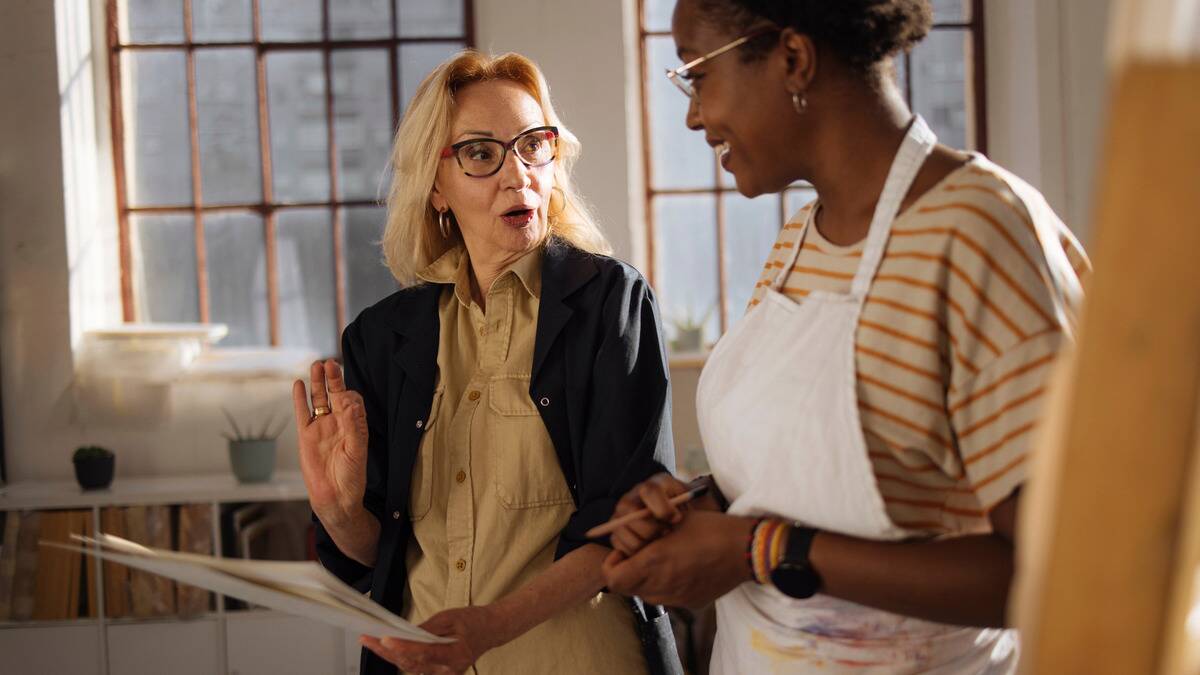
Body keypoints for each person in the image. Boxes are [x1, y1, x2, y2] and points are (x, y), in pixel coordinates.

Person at [600, 1, 1090, 672]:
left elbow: (1063, 570)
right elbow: (805, 474)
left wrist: (758, 550)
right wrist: (695, 507)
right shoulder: (799, 241)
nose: (692, 113)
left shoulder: (980, 233)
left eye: (697, 73)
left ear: (792, 58)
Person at [292, 51, 680, 675]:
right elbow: (374, 560)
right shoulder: (380, 339)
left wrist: (490, 628)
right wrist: (339, 512)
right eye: (480, 153)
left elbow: (628, 525)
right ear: (436, 185)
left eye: (533, 145)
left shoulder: (612, 303)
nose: (518, 174)